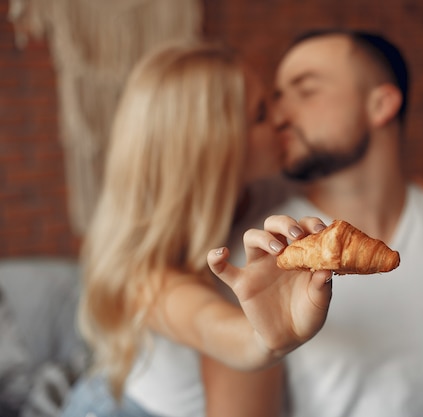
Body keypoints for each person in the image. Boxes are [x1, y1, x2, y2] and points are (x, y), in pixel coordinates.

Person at [227, 29, 423, 417]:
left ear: (381, 104)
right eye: (277, 97)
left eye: (306, 91)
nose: (278, 116)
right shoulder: (260, 251)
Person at [60, 41, 332, 417]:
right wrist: (265, 339)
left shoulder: (264, 192)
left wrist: (416, 196)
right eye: (261, 113)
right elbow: (212, 327)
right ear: (216, 150)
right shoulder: (148, 276)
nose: (282, 118)